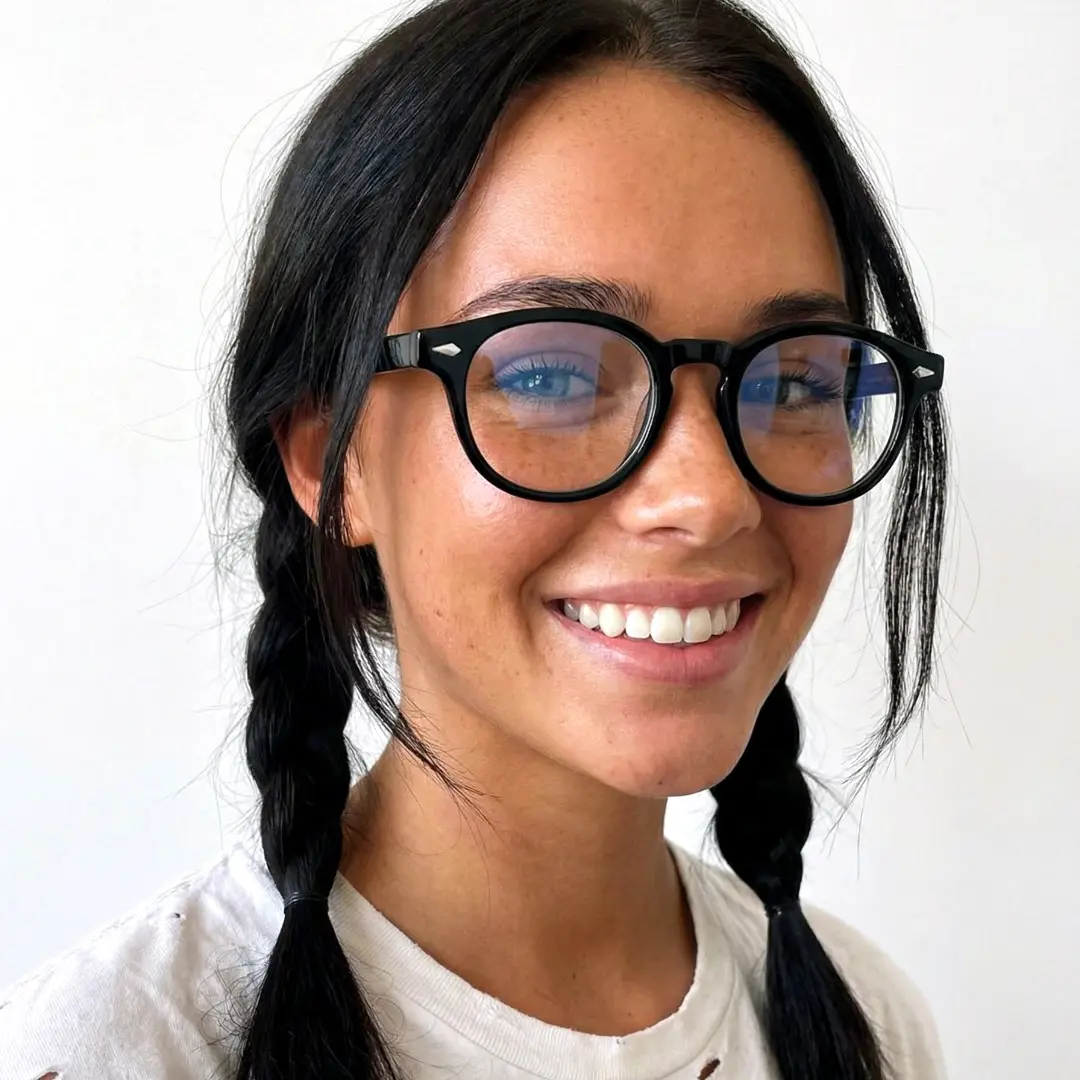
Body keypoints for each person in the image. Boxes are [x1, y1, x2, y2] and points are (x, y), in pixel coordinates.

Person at [0, 0, 952, 1077]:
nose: (709, 496)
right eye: (548, 373)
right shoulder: (122, 1050)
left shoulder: (867, 1025)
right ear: (332, 460)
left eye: (798, 380)